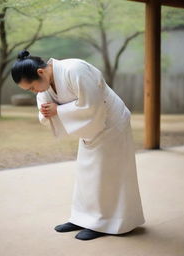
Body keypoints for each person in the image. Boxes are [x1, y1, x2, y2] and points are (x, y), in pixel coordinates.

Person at [11, 49, 146, 241]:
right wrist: (48, 112)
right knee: (87, 174)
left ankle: (106, 221)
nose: (35, 92)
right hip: (90, 128)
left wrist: (58, 110)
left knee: (108, 174)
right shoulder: (45, 83)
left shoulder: (75, 69)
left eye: (32, 87)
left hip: (111, 122)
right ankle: (83, 218)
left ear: (40, 73)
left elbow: (92, 105)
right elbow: (45, 108)